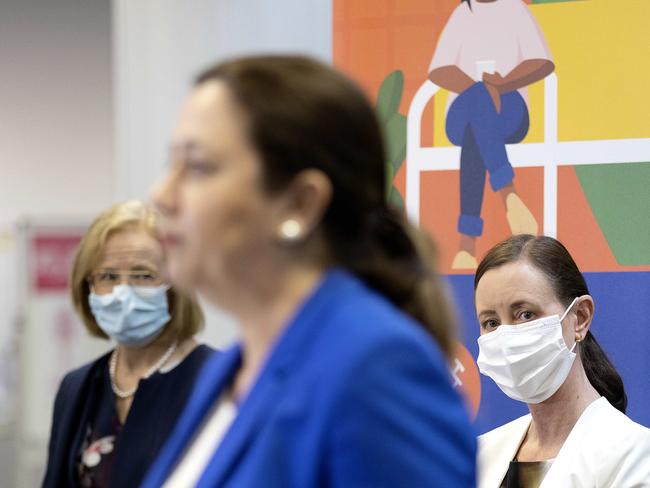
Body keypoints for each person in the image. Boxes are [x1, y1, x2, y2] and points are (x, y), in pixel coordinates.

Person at [141, 55, 476, 487]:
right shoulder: (226, 370)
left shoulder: (376, 368)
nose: (161, 194)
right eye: (171, 164)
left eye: (199, 166)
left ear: (300, 203)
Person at [42, 200, 215, 488]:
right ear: (88, 287)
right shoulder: (78, 387)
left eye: (143, 275)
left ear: (176, 282)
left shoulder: (216, 381)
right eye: (108, 276)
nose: (123, 292)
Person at [474, 234, 650, 487]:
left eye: (525, 314)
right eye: (491, 322)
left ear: (579, 317)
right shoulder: (482, 454)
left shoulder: (633, 454)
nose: (506, 336)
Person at [429, 0, 555, 270]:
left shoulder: (515, 9)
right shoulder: (463, 14)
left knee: (476, 133)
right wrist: (482, 91)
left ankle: (466, 247)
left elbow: (542, 62)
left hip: (510, 110)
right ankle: (508, 194)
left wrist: (501, 85)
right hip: (462, 112)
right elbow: (440, 68)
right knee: (477, 107)